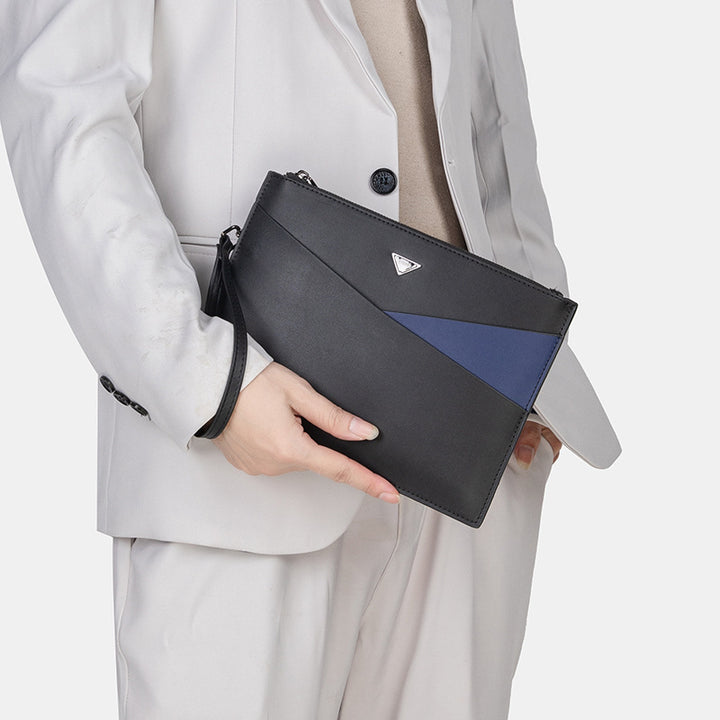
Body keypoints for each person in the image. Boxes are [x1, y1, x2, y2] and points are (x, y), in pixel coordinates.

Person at [0, 1, 621, 718]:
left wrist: (530, 358)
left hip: (467, 436)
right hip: (244, 435)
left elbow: (495, 119)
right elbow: (63, 104)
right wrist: (210, 381)